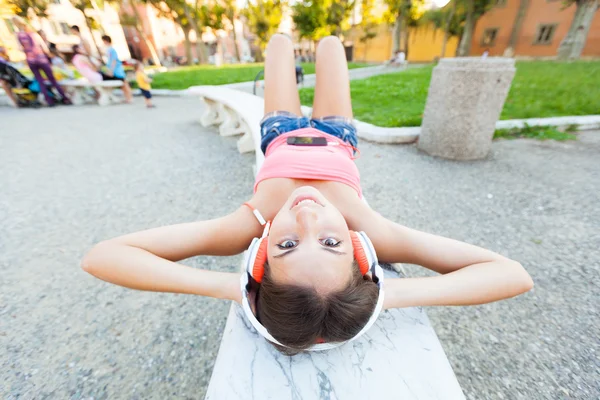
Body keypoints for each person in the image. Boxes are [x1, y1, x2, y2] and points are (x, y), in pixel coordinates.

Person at [82, 35, 533, 354]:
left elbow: (103, 256)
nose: (308, 219)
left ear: (259, 261)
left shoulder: (249, 224)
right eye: (332, 244)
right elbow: (511, 274)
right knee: (332, 46)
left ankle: (283, 42)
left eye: (288, 245)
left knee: (278, 44)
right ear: (359, 252)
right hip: (338, 136)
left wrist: (230, 288)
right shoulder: (371, 229)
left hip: (279, 134)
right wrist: (380, 299)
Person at [13, 17, 70, 106]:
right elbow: (45, 48)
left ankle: (49, 101)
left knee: (40, 81)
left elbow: (20, 49)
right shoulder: (34, 34)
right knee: (52, 80)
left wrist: (27, 51)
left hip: (31, 60)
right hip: (41, 59)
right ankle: (65, 98)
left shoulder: (18, 35)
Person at [101, 35, 132, 103]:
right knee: (123, 85)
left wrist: (111, 71)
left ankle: (129, 98)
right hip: (115, 70)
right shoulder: (109, 49)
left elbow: (114, 60)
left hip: (117, 71)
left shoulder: (111, 49)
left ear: (105, 41)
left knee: (124, 84)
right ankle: (128, 98)